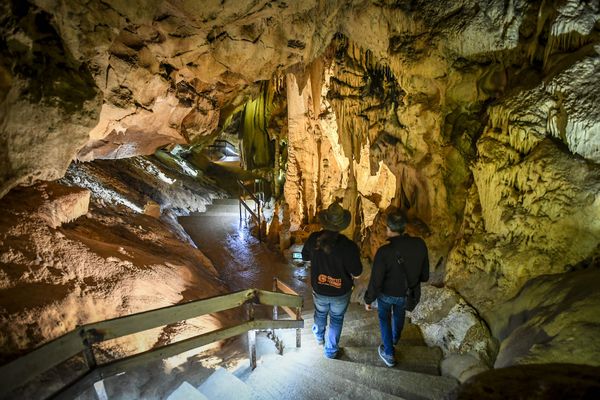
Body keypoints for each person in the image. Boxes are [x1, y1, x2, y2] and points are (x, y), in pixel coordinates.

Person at [364, 211, 429, 367]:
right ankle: (394, 340)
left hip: (385, 295)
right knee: (399, 315)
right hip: (406, 294)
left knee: (384, 318)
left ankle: (389, 353)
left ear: (388, 228)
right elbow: (425, 275)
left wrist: (368, 299)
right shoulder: (420, 245)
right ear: (404, 227)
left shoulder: (384, 252)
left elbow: (376, 281)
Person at [302, 202, 362, 359]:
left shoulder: (314, 239)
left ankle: (319, 336)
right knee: (336, 318)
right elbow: (357, 273)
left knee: (320, 313)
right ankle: (330, 350)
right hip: (341, 293)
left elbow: (304, 257)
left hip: (320, 289)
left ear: (325, 221)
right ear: (342, 225)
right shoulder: (349, 246)